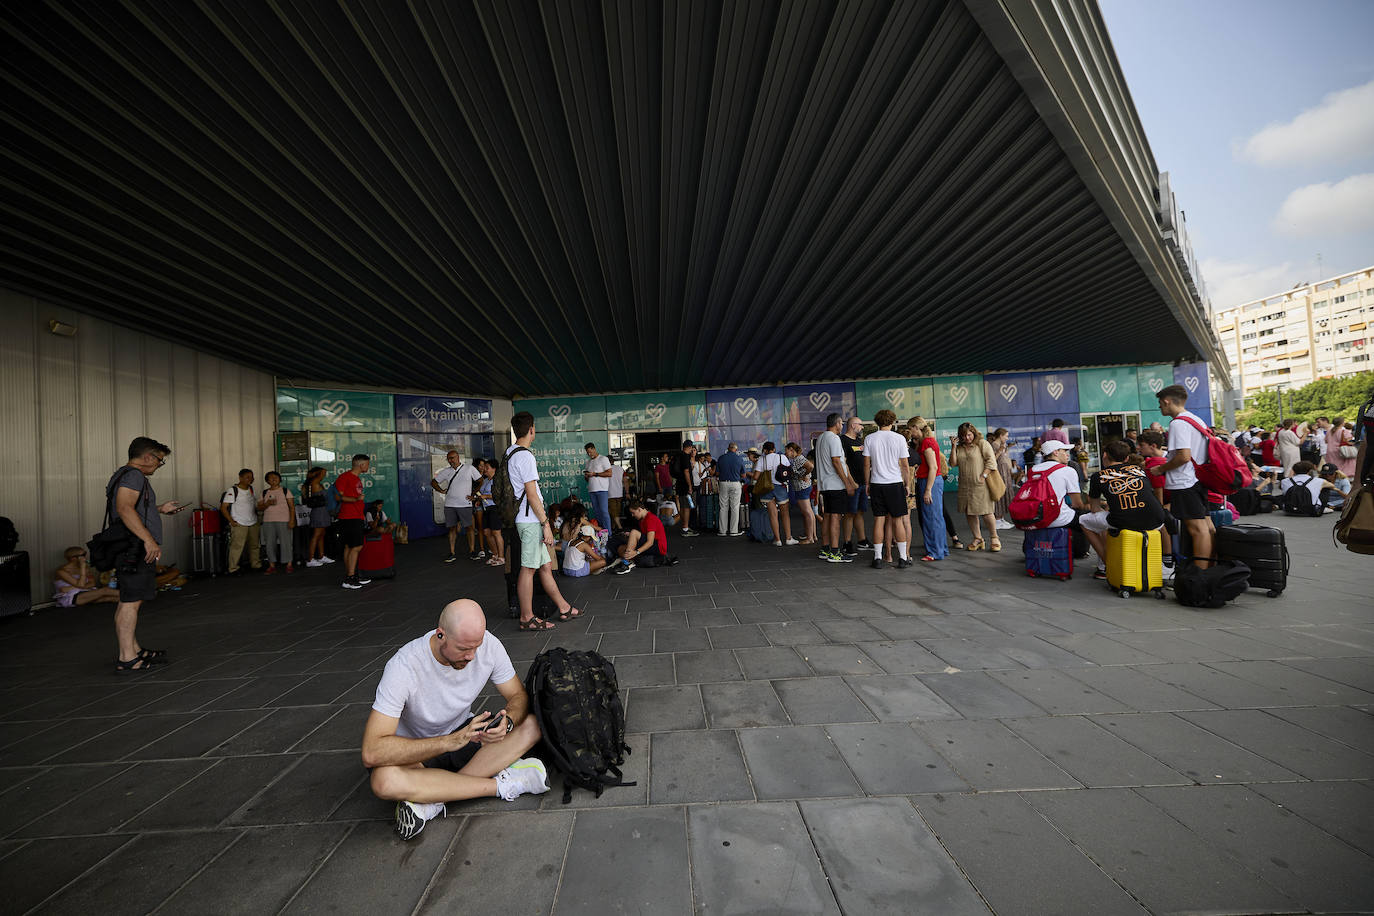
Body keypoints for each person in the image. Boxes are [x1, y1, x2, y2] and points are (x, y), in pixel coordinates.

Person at [362, 599, 549, 840]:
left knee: (532, 725)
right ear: (440, 635)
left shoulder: (489, 646)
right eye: (462, 649)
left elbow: (517, 695)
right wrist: (449, 741)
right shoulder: (403, 666)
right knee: (383, 782)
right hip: (417, 755)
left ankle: (431, 800)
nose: (471, 656)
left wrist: (508, 722)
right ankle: (501, 786)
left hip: (467, 734)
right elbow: (371, 751)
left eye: (476, 646)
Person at [106, 437, 183, 673]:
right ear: (148, 457)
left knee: (129, 599)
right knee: (131, 602)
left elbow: (133, 507)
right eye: (160, 461)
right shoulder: (134, 476)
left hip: (129, 545)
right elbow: (124, 509)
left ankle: (133, 649)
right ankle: (127, 657)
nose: (159, 465)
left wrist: (160, 509)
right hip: (135, 547)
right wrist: (148, 540)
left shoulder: (123, 474)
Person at [506, 411, 581, 629]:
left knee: (545, 566)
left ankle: (563, 607)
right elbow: (531, 494)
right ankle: (526, 617)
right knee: (528, 569)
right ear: (531, 430)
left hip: (526, 518)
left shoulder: (510, 453)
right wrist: (546, 525)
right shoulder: (525, 456)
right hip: (530, 521)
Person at [1078, 441, 1167, 579]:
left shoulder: (1099, 476)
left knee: (1084, 520)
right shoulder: (1139, 470)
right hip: (1156, 519)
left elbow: (1094, 508)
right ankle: (1167, 564)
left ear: (1105, 455)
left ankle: (1110, 565)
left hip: (1124, 520)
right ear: (1126, 459)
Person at [1150, 385, 1214, 573]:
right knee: (1208, 526)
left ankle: (1199, 574)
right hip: (1198, 480)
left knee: (1197, 528)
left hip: (1185, 482)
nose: (1160, 407)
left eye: (1160, 403)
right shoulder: (1196, 420)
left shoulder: (1178, 423)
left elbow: (1183, 456)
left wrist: (1161, 468)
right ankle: (1210, 567)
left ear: (1167, 401)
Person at [863, 410, 911, 569]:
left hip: (877, 483)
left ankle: (877, 557)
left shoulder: (870, 438)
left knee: (879, 519)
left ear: (877, 422)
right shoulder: (899, 439)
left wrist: (867, 483)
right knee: (898, 520)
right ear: (892, 421)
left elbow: (866, 465)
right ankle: (903, 558)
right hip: (895, 483)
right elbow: (905, 465)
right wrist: (907, 484)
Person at [949, 423, 1000, 552]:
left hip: (980, 484)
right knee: (970, 512)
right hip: (964, 485)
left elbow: (991, 461)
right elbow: (953, 463)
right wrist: (953, 446)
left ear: (974, 433)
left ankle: (994, 538)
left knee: (987, 511)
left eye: (969, 434)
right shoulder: (959, 447)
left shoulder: (982, 443)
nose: (967, 438)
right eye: (964, 435)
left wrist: (983, 476)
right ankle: (978, 539)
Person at [813, 413, 856, 563]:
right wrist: (847, 483)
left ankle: (825, 549)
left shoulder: (821, 438)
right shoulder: (834, 438)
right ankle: (835, 552)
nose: (842, 426)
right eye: (841, 423)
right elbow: (837, 461)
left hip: (825, 484)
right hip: (835, 485)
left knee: (828, 516)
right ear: (837, 423)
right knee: (836, 518)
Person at [432, 451, 483, 563]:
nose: (450, 460)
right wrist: (441, 490)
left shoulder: (469, 468)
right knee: (452, 529)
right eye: (448, 459)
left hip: (465, 504)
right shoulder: (446, 471)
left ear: (458, 457)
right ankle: (452, 552)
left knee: (469, 527)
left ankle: (472, 551)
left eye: (452, 458)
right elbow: (433, 482)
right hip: (450, 505)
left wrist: (473, 494)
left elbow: (480, 480)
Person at [1030, 440, 1087, 528]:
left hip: (1035, 517)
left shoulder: (1033, 470)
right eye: (1064, 451)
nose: (1067, 454)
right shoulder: (1068, 470)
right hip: (1059, 518)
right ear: (1055, 452)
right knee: (1087, 521)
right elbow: (1077, 504)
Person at [336, 454, 372, 590]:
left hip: (355, 516)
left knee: (350, 547)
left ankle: (352, 575)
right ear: (361, 465)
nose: (368, 467)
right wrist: (355, 500)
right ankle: (350, 578)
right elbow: (338, 496)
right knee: (356, 547)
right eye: (367, 464)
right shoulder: (345, 477)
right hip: (349, 517)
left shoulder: (355, 478)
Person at [612, 499, 673, 573]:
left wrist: (636, 552)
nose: (632, 515)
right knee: (621, 548)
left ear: (639, 509)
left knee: (634, 532)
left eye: (633, 513)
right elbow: (644, 536)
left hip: (658, 547)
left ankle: (626, 563)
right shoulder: (642, 519)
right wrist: (630, 535)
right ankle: (630, 560)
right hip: (652, 545)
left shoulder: (650, 519)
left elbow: (650, 542)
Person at [221, 468, 262, 574]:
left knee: (255, 545)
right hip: (239, 523)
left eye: (252, 477)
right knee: (237, 547)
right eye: (247, 477)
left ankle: (256, 565)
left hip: (253, 522)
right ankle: (233, 568)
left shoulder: (251, 489)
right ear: (240, 478)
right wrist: (231, 521)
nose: (250, 479)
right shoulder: (233, 490)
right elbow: (223, 507)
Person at [840, 416, 871, 554]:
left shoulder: (859, 441)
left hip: (862, 483)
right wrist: (851, 482)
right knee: (849, 513)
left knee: (860, 512)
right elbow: (843, 463)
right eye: (860, 424)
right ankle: (847, 543)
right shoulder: (843, 441)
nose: (862, 427)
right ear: (852, 425)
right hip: (852, 484)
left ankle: (862, 541)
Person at [53, 546, 120, 607]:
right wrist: (82, 568)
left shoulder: (85, 568)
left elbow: (92, 583)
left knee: (111, 598)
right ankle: (129, 595)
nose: (85, 557)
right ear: (73, 558)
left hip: (86, 593)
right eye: (83, 555)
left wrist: (71, 587)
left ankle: (129, 600)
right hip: (72, 597)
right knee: (104, 590)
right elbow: (81, 584)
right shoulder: (62, 571)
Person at [755, 441, 794, 547]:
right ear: (774, 449)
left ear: (765, 450)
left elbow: (756, 477)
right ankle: (788, 538)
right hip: (780, 486)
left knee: (773, 515)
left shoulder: (761, 459)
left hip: (767, 487)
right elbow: (789, 471)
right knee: (785, 514)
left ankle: (777, 540)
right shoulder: (782, 457)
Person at [259, 471, 296, 574]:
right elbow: (259, 508)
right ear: (267, 481)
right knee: (269, 544)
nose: (274, 479)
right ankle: (272, 565)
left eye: (276, 477)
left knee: (286, 543)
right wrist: (267, 504)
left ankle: (289, 564)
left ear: (280, 479)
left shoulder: (285, 491)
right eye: (271, 478)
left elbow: (292, 507)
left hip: (284, 520)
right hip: (268, 521)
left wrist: (292, 520)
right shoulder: (264, 493)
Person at [301, 466, 335, 568]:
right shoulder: (314, 484)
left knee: (321, 534)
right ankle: (310, 559)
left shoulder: (317, 484)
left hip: (323, 511)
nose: (324, 475)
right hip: (319, 512)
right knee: (316, 534)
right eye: (323, 473)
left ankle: (321, 556)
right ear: (317, 474)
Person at [560, 507, 607, 577]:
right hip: (576, 571)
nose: (591, 540)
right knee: (603, 562)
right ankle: (590, 570)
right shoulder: (584, 544)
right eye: (590, 538)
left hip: (566, 568)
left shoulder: (571, 539)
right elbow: (598, 559)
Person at [785, 442, 817, 544]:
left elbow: (810, 467)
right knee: (809, 512)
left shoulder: (799, 459)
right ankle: (812, 535)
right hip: (803, 487)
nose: (786, 453)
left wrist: (803, 475)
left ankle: (810, 538)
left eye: (787, 451)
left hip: (802, 488)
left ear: (791, 449)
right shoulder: (797, 459)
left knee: (807, 512)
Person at [475, 460, 504, 567]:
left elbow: (501, 495)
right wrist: (479, 500)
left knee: (496, 533)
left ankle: (501, 557)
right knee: (487, 532)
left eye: (487, 467)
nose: (484, 469)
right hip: (486, 508)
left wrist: (486, 497)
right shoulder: (486, 480)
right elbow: (482, 493)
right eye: (484, 467)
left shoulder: (497, 481)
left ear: (494, 469)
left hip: (495, 508)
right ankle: (495, 554)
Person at [715, 443, 746, 537]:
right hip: (735, 483)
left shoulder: (721, 458)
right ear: (736, 450)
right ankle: (733, 531)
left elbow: (717, 473)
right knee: (735, 507)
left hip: (723, 483)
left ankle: (722, 531)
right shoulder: (739, 458)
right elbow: (743, 475)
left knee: (723, 507)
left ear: (728, 448)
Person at [582, 443, 613, 532]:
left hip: (602, 489)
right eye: (587, 453)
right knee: (597, 512)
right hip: (592, 489)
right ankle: (601, 531)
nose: (589, 454)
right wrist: (587, 476)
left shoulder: (603, 459)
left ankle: (609, 532)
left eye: (590, 452)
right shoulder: (588, 462)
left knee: (604, 511)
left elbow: (609, 473)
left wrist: (595, 474)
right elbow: (588, 479)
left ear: (594, 449)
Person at [670, 441, 699, 535]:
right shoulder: (685, 457)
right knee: (687, 507)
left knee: (682, 506)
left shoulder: (678, 455)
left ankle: (684, 527)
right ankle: (686, 529)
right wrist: (690, 486)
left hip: (679, 484)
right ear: (690, 447)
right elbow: (686, 471)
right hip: (685, 485)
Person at [990, 428, 1016, 529]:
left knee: (1005, 494)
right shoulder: (994, 445)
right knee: (999, 494)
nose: (1007, 438)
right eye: (1006, 436)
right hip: (999, 472)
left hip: (1005, 472)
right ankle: (997, 519)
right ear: (1000, 435)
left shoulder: (1002, 445)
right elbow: (992, 460)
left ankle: (1001, 518)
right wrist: (1000, 451)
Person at [607, 458, 625, 529]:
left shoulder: (606, 470)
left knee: (613, 512)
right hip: (619, 493)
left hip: (610, 494)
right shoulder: (620, 469)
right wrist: (627, 492)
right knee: (616, 512)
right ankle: (614, 527)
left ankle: (619, 527)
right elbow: (625, 481)